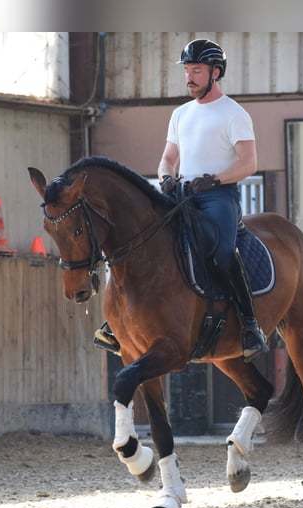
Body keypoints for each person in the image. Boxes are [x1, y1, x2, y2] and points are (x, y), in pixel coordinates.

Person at [94, 38, 268, 361]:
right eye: (187, 71)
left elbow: (249, 164)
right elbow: (168, 158)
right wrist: (165, 177)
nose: (189, 77)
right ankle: (116, 323)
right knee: (145, 241)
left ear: (216, 73)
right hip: (182, 193)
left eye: (197, 71)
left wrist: (213, 179)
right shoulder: (180, 114)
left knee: (223, 251)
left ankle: (249, 324)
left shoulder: (234, 114)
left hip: (218, 197)